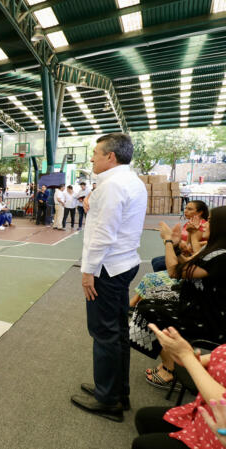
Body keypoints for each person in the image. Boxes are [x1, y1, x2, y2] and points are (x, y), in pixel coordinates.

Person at [71, 132, 147, 422]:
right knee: (117, 332)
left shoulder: (113, 186)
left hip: (107, 268)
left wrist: (87, 271)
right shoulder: (128, 181)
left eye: (96, 153)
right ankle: (117, 390)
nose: (92, 157)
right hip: (123, 263)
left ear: (110, 156)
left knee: (104, 334)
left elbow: (103, 234)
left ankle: (108, 400)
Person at [131, 214, 226, 390]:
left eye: (211, 221)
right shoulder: (217, 251)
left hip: (209, 319)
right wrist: (177, 247)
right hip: (200, 306)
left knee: (147, 311)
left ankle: (171, 369)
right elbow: (186, 266)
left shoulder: (220, 256)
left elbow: (174, 272)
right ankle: (171, 363)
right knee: (148, 302)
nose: (204, 224)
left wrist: (168, 241)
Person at [132, 324, 226, 449]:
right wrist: (188, 357)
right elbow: (218, 357)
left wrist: (186, 356)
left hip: (217, 435)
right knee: (144, 418)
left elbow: (222, 401)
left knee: (142, 444)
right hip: (203, 415)